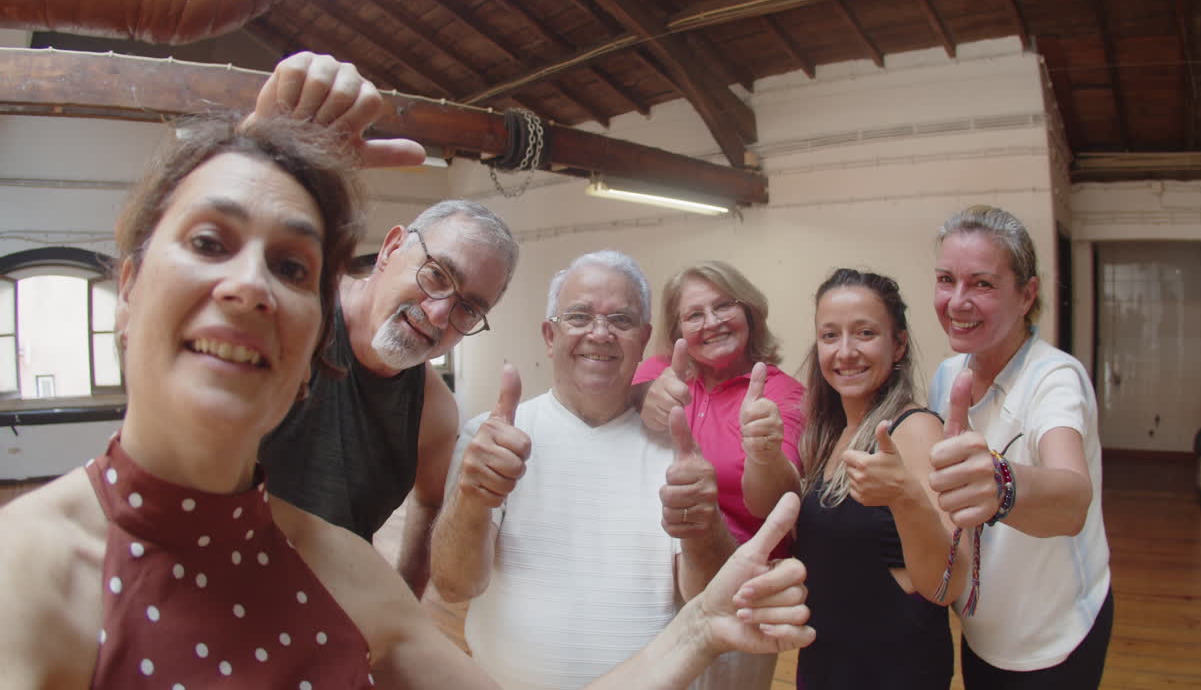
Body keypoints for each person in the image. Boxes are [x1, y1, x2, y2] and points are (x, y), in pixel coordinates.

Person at [0, 113, 814, 689]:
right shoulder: (27, 570)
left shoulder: (342, 573)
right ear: (128, 284)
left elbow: (437, 578)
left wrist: (702, 627)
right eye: (210, 243)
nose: (247, 287)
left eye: (289, 268)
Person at [250, 52, 520, 597]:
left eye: (470, 308)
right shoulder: (288, 309)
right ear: (393, 247)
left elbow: (427, 500)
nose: (440, 313)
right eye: (437, 274)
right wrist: (259, 156)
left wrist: (400, 597)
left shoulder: (433, 412)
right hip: (200, 596)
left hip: (325, 619)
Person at [430, 250, 742, 689]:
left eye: (621, 320)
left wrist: (704, 527)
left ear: (643, 338)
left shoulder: (679, 452)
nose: (600, 333)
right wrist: (470, 500)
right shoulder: (493, 439)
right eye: (579, 316)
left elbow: (707, 596)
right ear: (549, 335)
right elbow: (454, 584)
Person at [927, 205, 1113, 688]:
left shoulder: (1055, 380)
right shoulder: (948, 376)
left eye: (982, 284)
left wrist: (1000, 482)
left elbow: (1072, 498)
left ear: (1027, 294)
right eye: (946, 279)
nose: (957, 301)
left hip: (1055, 636)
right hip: (982, 629)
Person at [784, 268, 965, 689]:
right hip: (825, 663)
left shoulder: (915, 430)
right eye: (830, 336)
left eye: (864, 333)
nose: (845, 351)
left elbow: (946, 583)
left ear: (898, 344)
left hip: (892, 669)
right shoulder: (828, 435)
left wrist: (906, 497)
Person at [633, 261, 806, 689]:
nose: (711, 323)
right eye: (694, 315)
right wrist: (640, 396)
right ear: (677, 329)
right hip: (653, 582)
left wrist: (763, 452)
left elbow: (770, 505)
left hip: (737, 589)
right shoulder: (659, 372)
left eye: (724, 306)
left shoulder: (782, 393)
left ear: (749, 312)